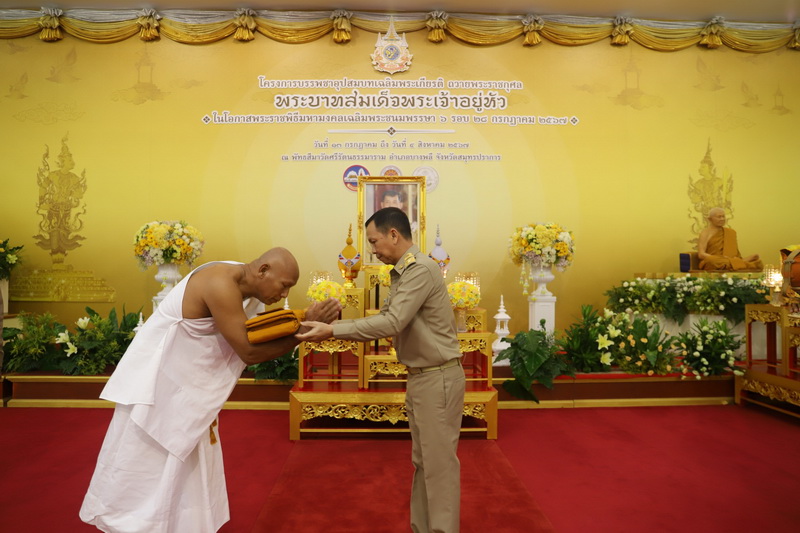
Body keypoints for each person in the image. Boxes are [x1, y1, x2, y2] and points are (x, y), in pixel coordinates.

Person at [80, 248, 341, 532]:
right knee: (144, 466)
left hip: (184, 392)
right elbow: (249, 352)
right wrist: (304, 332)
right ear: (263, 270)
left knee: (183, 466)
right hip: (157, 388)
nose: (284, 294)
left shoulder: (241, 283)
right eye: (285, 285)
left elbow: (258, 331)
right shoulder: (220, 282)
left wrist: (303, 323)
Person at [298, 207, 465, 533]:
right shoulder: (401, 273)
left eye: (374, 241)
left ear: (394, 234)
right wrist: (335, 319)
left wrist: (331, 331)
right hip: (422, 378)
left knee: (438, 468)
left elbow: (391, 322)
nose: (372, 249)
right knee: (423, 464)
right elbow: (387, 319)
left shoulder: (421, 270)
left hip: (438, 377)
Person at [697, 207, 763, 271]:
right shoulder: (705, 233)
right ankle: (741, 262)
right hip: (714, 263)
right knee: (711, 261)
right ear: (710, 219)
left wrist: (729, 259)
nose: (722, 219)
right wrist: (722, 258)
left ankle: (734, 263)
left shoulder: (731, 232)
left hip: (725, 262)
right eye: (719, 217)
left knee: (758, 261)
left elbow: (735, 253)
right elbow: (701, 254)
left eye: (723, 216)